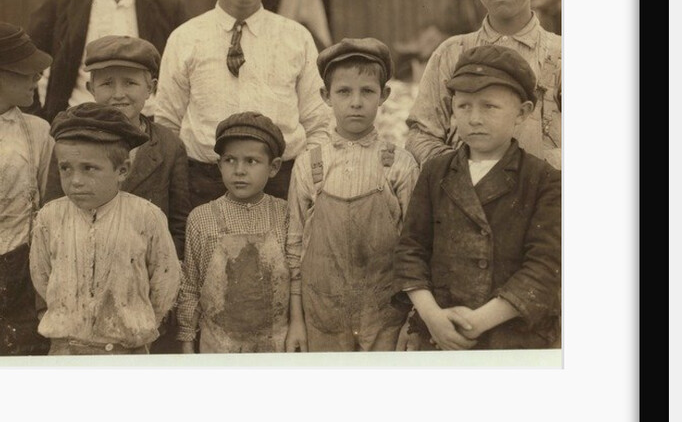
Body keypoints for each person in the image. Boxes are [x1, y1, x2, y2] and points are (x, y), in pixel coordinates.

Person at [395, 45, 561, 351]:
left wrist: (477, 323)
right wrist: (432, 317)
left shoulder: (543, 180)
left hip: (511, 338)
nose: (474, 118)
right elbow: (411, 251)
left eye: (489, 107)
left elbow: (544, 269)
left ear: (523, 112)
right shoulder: (435, 172)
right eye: (464, 106)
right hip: (438, 334)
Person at [155, 0, 332, 208]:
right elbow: (167, 124)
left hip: (282, 186)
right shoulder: (185, 38)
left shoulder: (296, 38)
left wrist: (304, 181)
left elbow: (319, 123)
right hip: (203, 188)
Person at [285, 38, 420, 352]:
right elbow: (294, 249)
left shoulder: (400, 165)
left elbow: (414, 250)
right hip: (322, 317)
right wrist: (296, 321)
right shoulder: (309, 164)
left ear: (384, 95)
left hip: (385, 316)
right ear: (325, 96)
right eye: (344, 92)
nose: (356, 102)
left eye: (367, 91)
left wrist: (412, 322)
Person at [30, 103, 181, 355]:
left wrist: (138, 325)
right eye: (66, 168)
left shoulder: (146, 216)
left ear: (122, 170)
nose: (75, 181)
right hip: (66, 348)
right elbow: (42, 275)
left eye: (89, 168)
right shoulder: (50, 218)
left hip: (127, 349)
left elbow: (165, 281)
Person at [405, 0, 562, 170]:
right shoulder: (451, 53)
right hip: (470, 198)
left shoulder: (560, 56)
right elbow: (420, 136)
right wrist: (463, 171)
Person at [41, 35, 189, 258]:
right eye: (107, 83)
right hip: (81, 262)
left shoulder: (169, 146)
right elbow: (52, 214)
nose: (119, 94)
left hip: (143, 270)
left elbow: (178, 227)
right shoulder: (70, 141)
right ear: (91, 88)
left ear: (151, 88)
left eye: (130, 83)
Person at [29, 0, 188, 122]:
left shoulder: (168, 9)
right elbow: (26, 64)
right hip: (76, 126)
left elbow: (183, 77)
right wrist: (38, 122)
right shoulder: (60, 4)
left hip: (146, 127)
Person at [176, 112, 290, 354]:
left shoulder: (285, 215)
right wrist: (187, 340)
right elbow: (190, 285)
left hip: (275, 344)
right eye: (230, 160)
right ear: (219, 165)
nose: (239, 170)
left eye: (251, 161)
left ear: (274, 167)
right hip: (219, 345)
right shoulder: (202, 218)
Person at [0, 21, 54, 356]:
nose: (36, 79)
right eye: (25, 73)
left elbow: (46, 204)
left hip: (19, 272)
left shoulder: (38, 132)